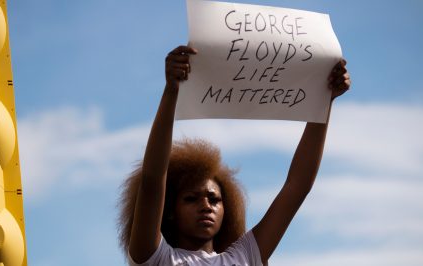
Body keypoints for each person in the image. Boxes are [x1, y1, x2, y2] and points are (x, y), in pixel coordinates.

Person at [118, 45, 351, 265]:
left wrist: (324, 100)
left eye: (214, 199)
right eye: (191, 198)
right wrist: (171, 90)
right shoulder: (156, 258)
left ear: (227, 208)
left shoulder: (246, 256)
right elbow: (152, 180)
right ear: (169, 211)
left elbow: (296, 186)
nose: (206, 206)